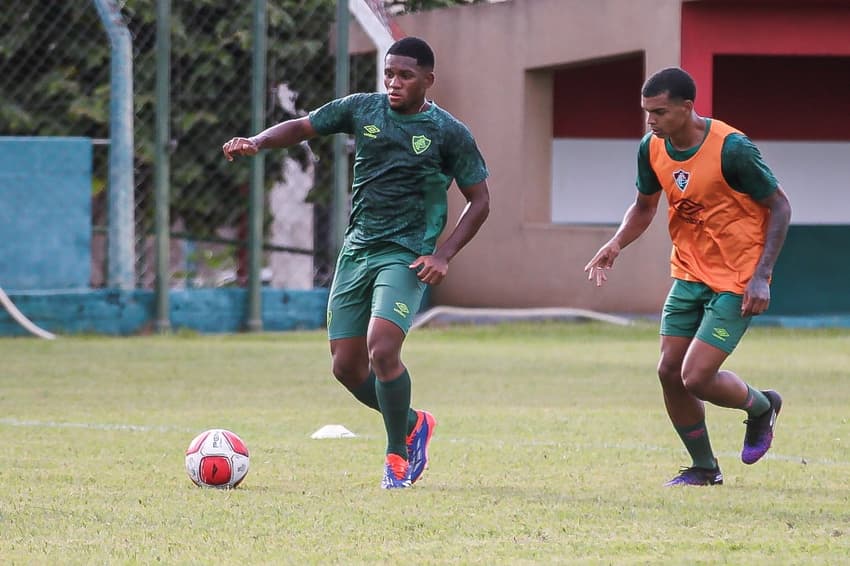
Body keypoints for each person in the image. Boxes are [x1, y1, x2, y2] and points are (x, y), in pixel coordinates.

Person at [222, 37, 490, 489]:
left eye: (405, 75)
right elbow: (304, 127)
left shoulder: (449, 132)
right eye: (389, 73)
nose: (394, 82)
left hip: (405, 254)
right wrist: (256, 141)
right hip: (358, 249)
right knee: (346, 367)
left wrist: (442, 254)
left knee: (382, 349)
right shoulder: (363, 109)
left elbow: (480, 201)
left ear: (429, 79)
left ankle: (397, 459)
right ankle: (413, 422)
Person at [584, 67, 792, 486]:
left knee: (695, 376)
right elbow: (644, 206)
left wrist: (762, 276)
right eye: (646, 113)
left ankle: (761, 407)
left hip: (738, 278)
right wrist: (615, 244)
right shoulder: (652, 147)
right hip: (689, 273)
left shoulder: (731, 149)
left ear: (686, 107)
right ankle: (704, 468)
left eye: (659, 112)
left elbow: (780, 206)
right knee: (667, 371)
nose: (650, 122)